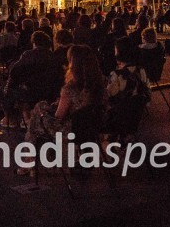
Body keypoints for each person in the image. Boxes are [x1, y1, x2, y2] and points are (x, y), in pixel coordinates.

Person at [17, 46, 106, 176]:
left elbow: (59, 116)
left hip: (71, 129)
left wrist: (51, 107)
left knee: (35, 120)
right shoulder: (100, 83)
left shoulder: (70, 88)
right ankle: (32, 163)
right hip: (93, 126)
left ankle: (29, 163)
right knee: (39, 112)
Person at [0, 31, 61, 128]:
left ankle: (10, 119)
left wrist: (10, 84)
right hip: (49, 91)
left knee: (3, 90)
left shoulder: (28, 55)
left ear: (34, 42)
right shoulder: (53, 56)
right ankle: (26, 117)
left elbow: (15, 72)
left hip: (31, 91)